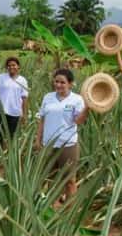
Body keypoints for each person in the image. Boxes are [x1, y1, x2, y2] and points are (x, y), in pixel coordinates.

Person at [35, 68, 88, 201]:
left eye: (62, 82)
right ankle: (52, 207)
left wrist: (88, 109)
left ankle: (70, 209)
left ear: (70, 84)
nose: (58, 85)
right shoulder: (48, 97)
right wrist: (38, 140)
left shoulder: (77, 99)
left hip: (68, 144)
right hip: (49, 144)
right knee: (50, 177)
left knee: (69, 179)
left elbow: (78, 121)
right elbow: (42, 120)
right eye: (56, 81)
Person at [0, 56, 29, 141]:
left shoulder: (22, 80)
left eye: (14, 65)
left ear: (18, 66)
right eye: (9, 65)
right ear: (6, 67)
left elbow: (24, 98)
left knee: (12, 136)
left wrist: (24, 114)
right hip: (1, 111)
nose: (11, 67)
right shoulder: (1, 77)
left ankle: (10, 153)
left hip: (15, 112)